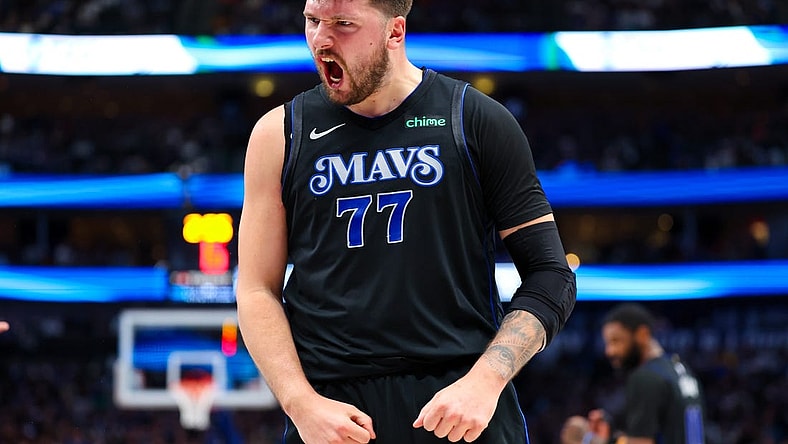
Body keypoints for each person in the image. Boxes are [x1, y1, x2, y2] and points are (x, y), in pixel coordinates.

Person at [235, 1, 577, 443]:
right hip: (333, 414)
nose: (321, 39)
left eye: (343, 24)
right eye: (312, 20)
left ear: (395, 32)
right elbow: (256, 289)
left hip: (459, 404)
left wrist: (486, 381)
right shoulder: (279, 134)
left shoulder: (474, 119)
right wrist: (301, 403)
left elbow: (551, 275)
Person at [588, 303, 706, 444]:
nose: (609, 351)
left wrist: (593, 441)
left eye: (616, 341)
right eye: (607, 343)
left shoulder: (645, 377)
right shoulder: (682, 369)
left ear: (642, 334)